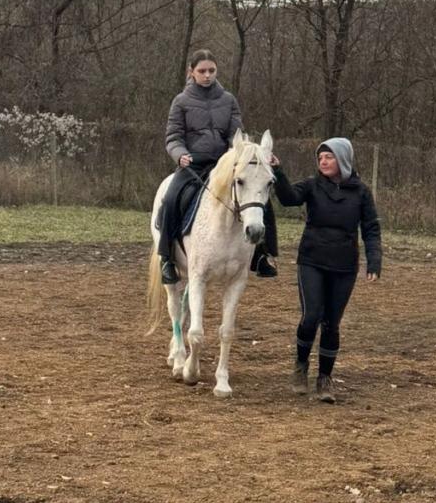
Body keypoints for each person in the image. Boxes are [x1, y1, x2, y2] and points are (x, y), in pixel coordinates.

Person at [270, 138, 381, 403]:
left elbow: (371, 229)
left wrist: (374, 260)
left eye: (328, 157)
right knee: (311, 317)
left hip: (344, 265)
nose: (323, 161)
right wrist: (278, 171)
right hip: (312, 260)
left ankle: (325, 378)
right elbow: (288, 198)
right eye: (320, 158)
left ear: (342, 159)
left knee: (332, 323)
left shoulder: (361, 192)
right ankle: (300, 364)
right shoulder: (312, 185)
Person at [158, 49, 278, 284]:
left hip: (224, 164)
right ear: (191, 72)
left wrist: (259, 156)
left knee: (262, 200)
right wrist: (180, 154)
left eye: (211, 70)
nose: (207, 75)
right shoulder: (181, 102)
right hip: (191, 164)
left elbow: (238, 136)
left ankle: (262, 256)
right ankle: (167, 259)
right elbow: (173, 136)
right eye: (202, 71)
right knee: (171, 199)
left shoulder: (228, 100)